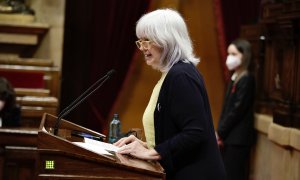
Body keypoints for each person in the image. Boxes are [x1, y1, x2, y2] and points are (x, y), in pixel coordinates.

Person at [114, 9, 226, 180]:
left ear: (167, 40)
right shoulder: (170, 74)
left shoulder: (181, 76)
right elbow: (173, 131)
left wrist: (152, 153)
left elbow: (195, 132)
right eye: (141, 41)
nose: (143, 48)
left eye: (148, 41)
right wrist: (145, 145)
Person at [216, 39, 256, 180]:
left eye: (234, 54)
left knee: (234, 174)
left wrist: (220, 132)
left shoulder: (246, 79)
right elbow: (226, 108)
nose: (229, 58)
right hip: (230, 137)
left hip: (238, 139)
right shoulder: (235, 77)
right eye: (228, 54)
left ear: (244, 56)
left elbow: (236, 110)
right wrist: (220, 133)